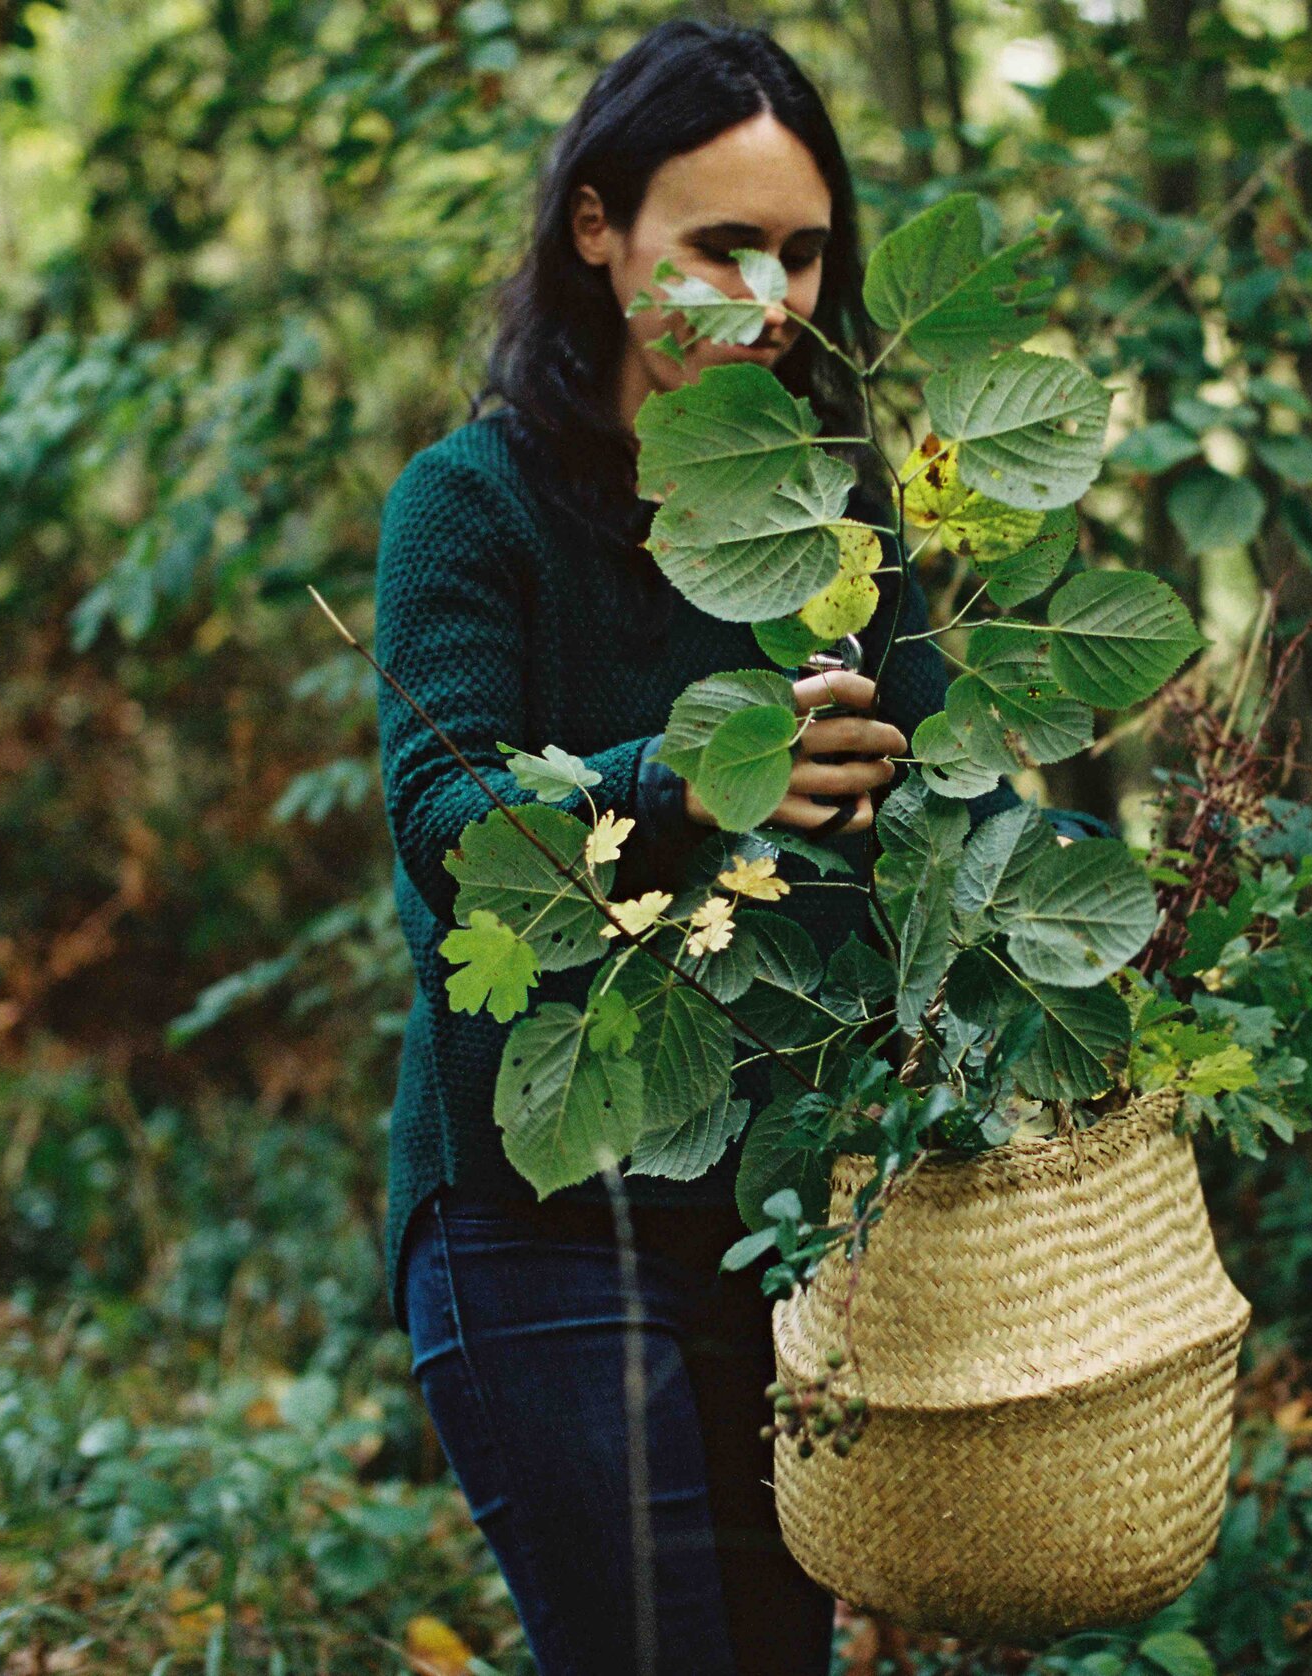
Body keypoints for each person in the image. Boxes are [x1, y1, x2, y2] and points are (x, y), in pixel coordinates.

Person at [370, 20, 1101, 1675]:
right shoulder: (472, 506)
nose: (770, 295)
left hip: (779, 1220)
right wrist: (705, 779)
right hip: (531, 1219)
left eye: (801, 250)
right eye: (718, 245)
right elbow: (447, 826)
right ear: (597, 229)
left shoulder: (841, 516)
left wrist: (1071, 958)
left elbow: (942, 809)